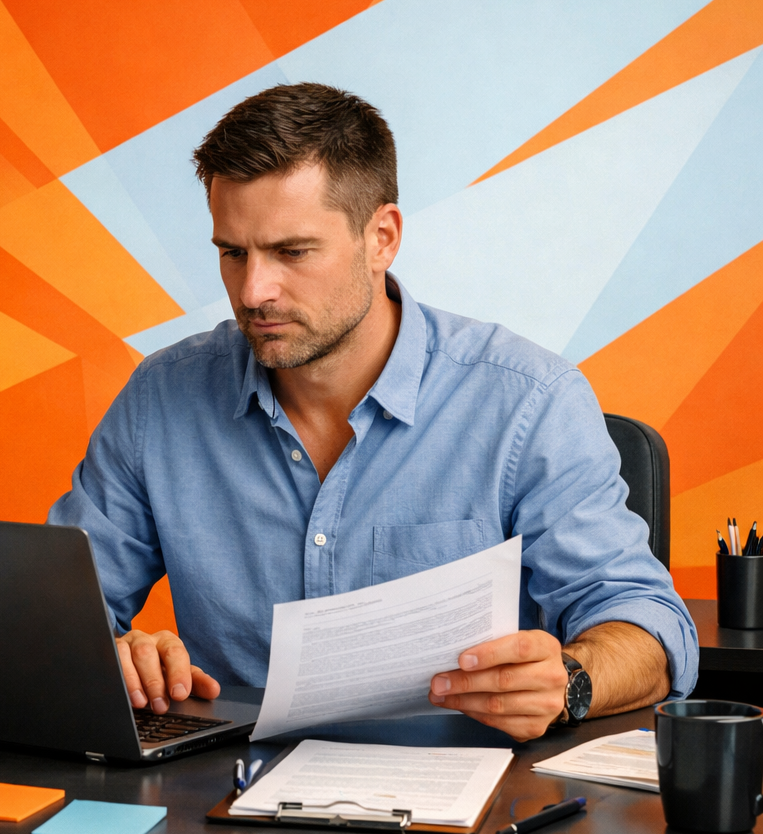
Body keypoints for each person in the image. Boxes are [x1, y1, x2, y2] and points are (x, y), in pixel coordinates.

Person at [49, 83, 697, 741]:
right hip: (221, 799)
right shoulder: (161, 399)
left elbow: (648, 626)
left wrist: (571, 681)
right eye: (232, 252)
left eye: (292, 252)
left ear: (381, 237)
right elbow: (53, 620)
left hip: (461, 806)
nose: (253, 291)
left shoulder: (527, 400)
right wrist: (114, 656)